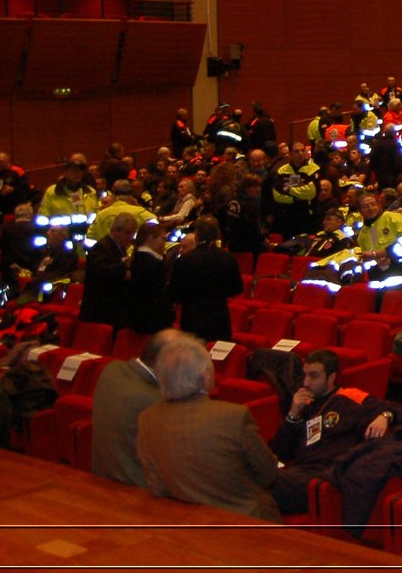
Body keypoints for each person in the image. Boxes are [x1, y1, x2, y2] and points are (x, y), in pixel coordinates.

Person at [136, 336, 281, 522]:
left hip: (185, 523)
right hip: (246, 521)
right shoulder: (233, 416)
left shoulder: (147, 419)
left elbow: (158, 486)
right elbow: (268, 473)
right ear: (205, 377)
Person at [270, 349, 396, 515]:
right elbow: (278, 452)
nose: (306, 383)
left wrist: (385, 416)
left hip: (326, 477)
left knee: (266, 481)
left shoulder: (349, 398)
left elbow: (395, 409)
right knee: (257, 473)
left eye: (313, 376)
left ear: (331, 378)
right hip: (299, 472)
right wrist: (293, 415)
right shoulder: (304, 404)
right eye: (305, 375)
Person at [91, 328, 181, 488]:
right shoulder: (156, 402)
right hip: (138, 492)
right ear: (168, 363)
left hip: (102, 477)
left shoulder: (111, 370)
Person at [167, 217, 244, 342]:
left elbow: (175, 293)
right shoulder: (228, 258)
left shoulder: (185, 260)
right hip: (219, 316)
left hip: (192, 317)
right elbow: (236, 288)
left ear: (197, 235)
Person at [79, 209, 135, 329]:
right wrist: (123, 267)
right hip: (99, 309)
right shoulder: (102, 247)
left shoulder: (119, 247)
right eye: (129, 233)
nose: (131, 238)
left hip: (111, 307)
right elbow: (100, 271)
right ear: (117, 230)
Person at [126, 221, 176, 335]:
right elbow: (158, 294)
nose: (164, 243)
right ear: (151, 238)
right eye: (162, 239)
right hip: (153, 321)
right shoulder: (155, 263)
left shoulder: (134, 259)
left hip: (134, 318)